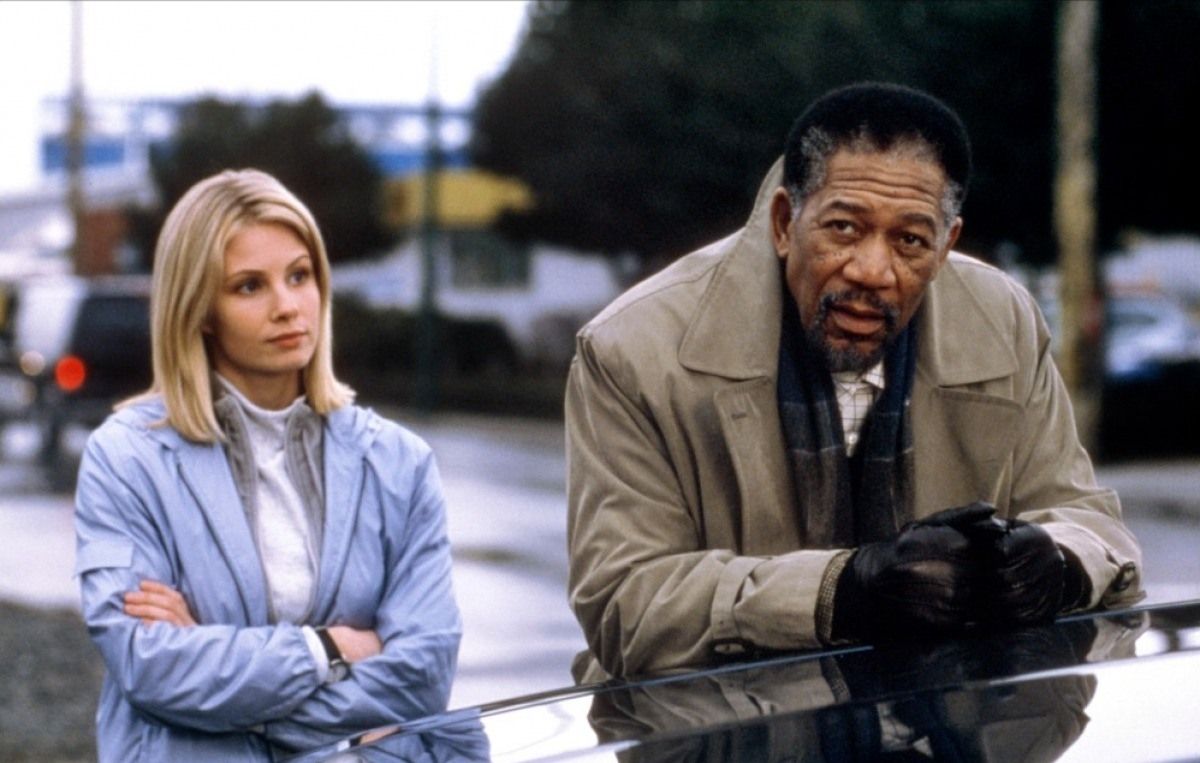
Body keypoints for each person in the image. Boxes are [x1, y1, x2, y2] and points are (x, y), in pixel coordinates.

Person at [565, 82, 1143, 682]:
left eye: (910, 240)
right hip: (698, 722)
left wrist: (1057, 564)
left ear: (945, 246)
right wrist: (843, 592)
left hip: (944, 714)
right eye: (843, 228)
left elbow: (1092, 524)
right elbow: (626, 607)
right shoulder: (632, 347)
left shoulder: (1004, 319)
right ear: (784, 222)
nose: (872, 271)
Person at [73, 169, 461, 760]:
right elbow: (148, 666)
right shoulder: (127, 458)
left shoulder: (399, 463)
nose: (287, 306)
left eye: (299, 276)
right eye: (249, 286)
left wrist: (220, 688)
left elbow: (421, 678)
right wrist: (329, 650)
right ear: (200, 308)